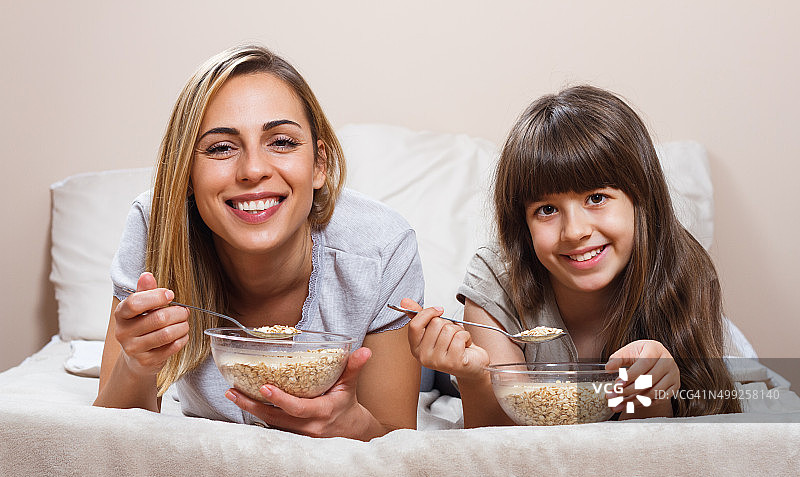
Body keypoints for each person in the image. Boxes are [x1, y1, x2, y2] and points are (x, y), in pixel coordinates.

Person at [94, 45, 423, 440]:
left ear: (319, 164)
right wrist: (136, 364)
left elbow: (396, 444)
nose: (253, 170)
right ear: (187, 173)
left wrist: (350, 426)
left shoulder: (383, 247)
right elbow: (111, 438)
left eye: (281, 142)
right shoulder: (158, 226)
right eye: (221, 148)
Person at [402, 85, 741, 428]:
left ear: (642, 198)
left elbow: (649, 453)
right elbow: (499, 440)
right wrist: (474, 378)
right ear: (523, 224)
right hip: (472, 353)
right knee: (431, 372)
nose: (575, 231)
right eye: (547, 209)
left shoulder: (686, 272)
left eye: (596, 198)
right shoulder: (496, 277)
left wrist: (649, 393)